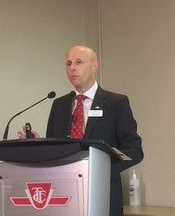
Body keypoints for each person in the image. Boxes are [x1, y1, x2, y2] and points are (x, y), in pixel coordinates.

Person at [18, 45, 143, 216]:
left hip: (103, 191)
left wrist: (102, 169)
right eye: (68, 63)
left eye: (79, 62)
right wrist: (36, 142)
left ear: (94, 67)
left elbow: (134, 150)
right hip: (64, 194)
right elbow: (54, 149)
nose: (72, 68)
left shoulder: (115, 103)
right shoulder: (59, 105)